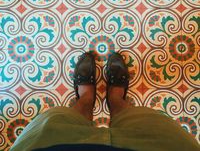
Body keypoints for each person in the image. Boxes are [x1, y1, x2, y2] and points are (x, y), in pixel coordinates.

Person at [10, 52, 200, 151]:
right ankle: (115, 99)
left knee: (58, 122)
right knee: (142, 121)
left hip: (50, 145)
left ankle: (86, 99)